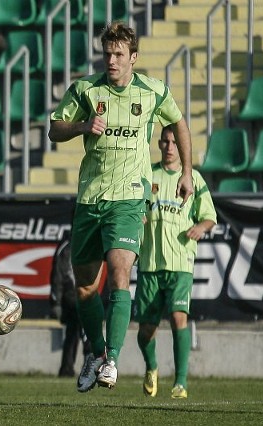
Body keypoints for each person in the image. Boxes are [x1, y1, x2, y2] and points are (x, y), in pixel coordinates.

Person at [48, 21, 194, 392]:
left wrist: (187, 172)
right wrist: (82, 126)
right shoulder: (85, 89)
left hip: (129, 197)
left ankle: (112, 358)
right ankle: (96, 354)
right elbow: (54, 128)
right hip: (89, 197)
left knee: (119, 274)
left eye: (118, 55)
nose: (111, 61)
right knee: (83, 286)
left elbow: (179, 125)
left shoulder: (152, 91)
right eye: (107, 54)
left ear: (133, 58)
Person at [135, 125, 217, 399]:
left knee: (179, 318)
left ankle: (180, 382)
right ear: (158, 144)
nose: (170, 147)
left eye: (174, 142)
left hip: (180, 262)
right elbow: (133, 208)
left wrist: (201, 228)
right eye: (165, 142)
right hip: (149, 263)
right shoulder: (148, 175)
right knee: (146, 330)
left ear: (181, 147)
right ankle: (152, 366)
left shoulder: (192, 178)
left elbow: (208, 216)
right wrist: (138, 216)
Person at [50, 232, 93, 377]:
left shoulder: (87, 243)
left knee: (74, 334)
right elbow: (57, 275)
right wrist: (56, 302)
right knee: (82, 332)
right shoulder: (66, 247)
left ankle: (67, 369)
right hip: (72, 296)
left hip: (84, 294)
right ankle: (87, 366)